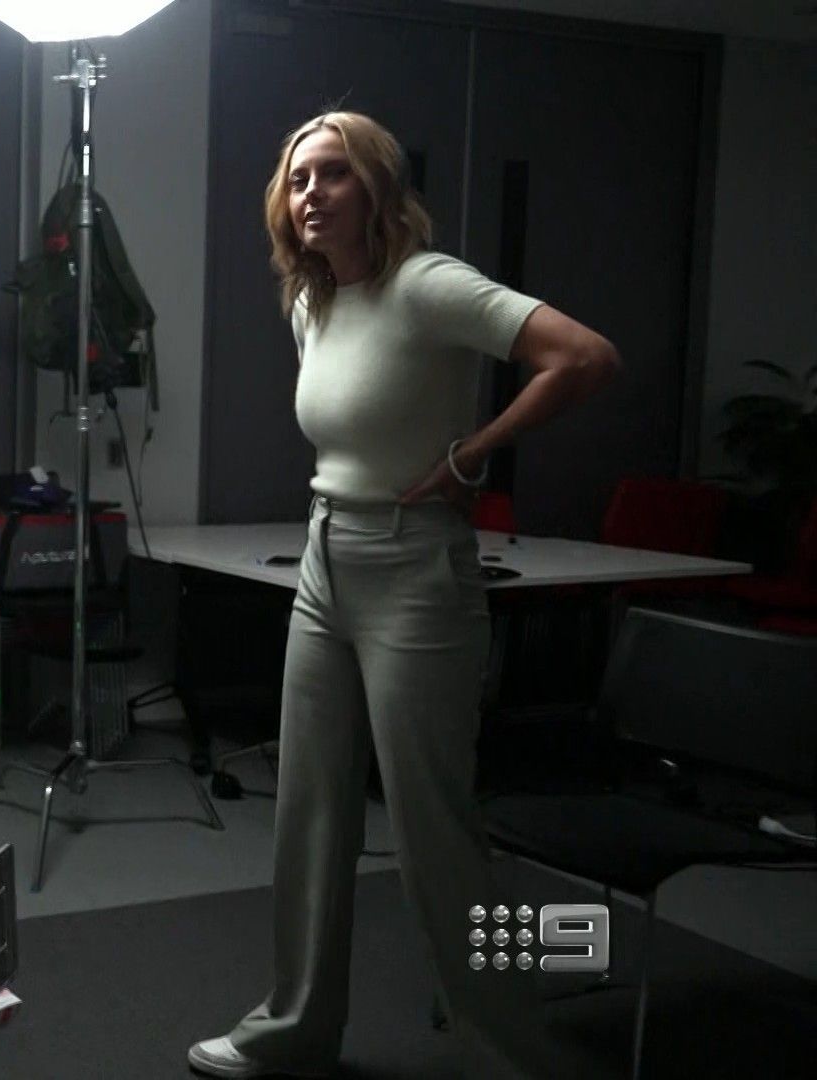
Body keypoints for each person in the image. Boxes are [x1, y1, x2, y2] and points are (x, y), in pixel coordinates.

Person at [187, 112, 620, 1080]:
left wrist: (472, 454)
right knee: (310, 815)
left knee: (434, 834)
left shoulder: (430, 285)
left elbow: (586, 357)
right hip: (323, 560)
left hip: (416, 572)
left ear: (378, 188)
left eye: (334, 174)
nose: (312, 193)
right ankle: (295, 1026)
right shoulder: (313, 302)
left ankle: (507, 1053)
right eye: (299, 178)